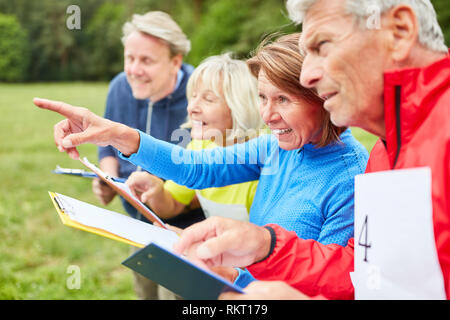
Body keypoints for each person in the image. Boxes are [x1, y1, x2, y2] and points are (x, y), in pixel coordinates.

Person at [33, 32, 369, 291]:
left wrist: (230, 278)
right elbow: (195, 167)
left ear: (322, 95)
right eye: (263, 98)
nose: (267, 115)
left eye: (283, 99)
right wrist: (114, 134)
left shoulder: (351, 177)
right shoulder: (275, 148)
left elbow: (325, 282)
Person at [173, 0, 450, 300]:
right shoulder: (384, 152)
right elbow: (371, 276)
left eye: (322, 46)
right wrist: (265, 246)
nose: (307, 77)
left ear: (400, 31)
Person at [92, 11, 205, 300]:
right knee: (145, 291)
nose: (134, 69)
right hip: (138, 221)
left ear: (175, 61)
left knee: (174, 295)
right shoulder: (120, 86)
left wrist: (168, 199)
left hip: (187, 227)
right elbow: (107, 143)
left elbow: (210, 168)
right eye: (130, 58)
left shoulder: (200, 94)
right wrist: (109, 178)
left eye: (146, 61)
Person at [125, 53, 265, 223]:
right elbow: (173, 205)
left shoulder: (265, 158)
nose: (192, 108)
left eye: (208, 99)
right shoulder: (200, 146)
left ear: (240, 106)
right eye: (193, 96)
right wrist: (157, 191)